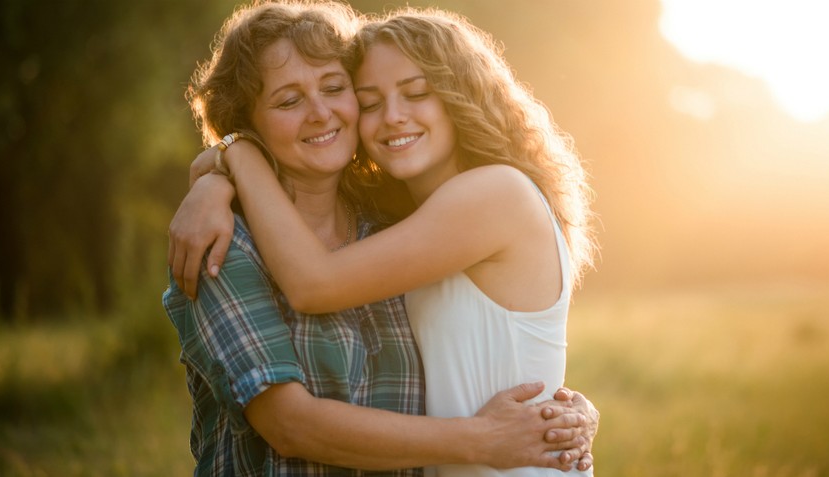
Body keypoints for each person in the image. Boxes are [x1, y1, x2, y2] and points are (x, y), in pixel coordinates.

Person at [164, 1, 597, 476]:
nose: (392, 117)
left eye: (416, 93)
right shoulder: (237, 242)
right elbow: (290, 424)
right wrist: (223, 166)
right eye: (370, 101)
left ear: (459, 96)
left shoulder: (484, 198)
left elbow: (317, 284)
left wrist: (236, 155)